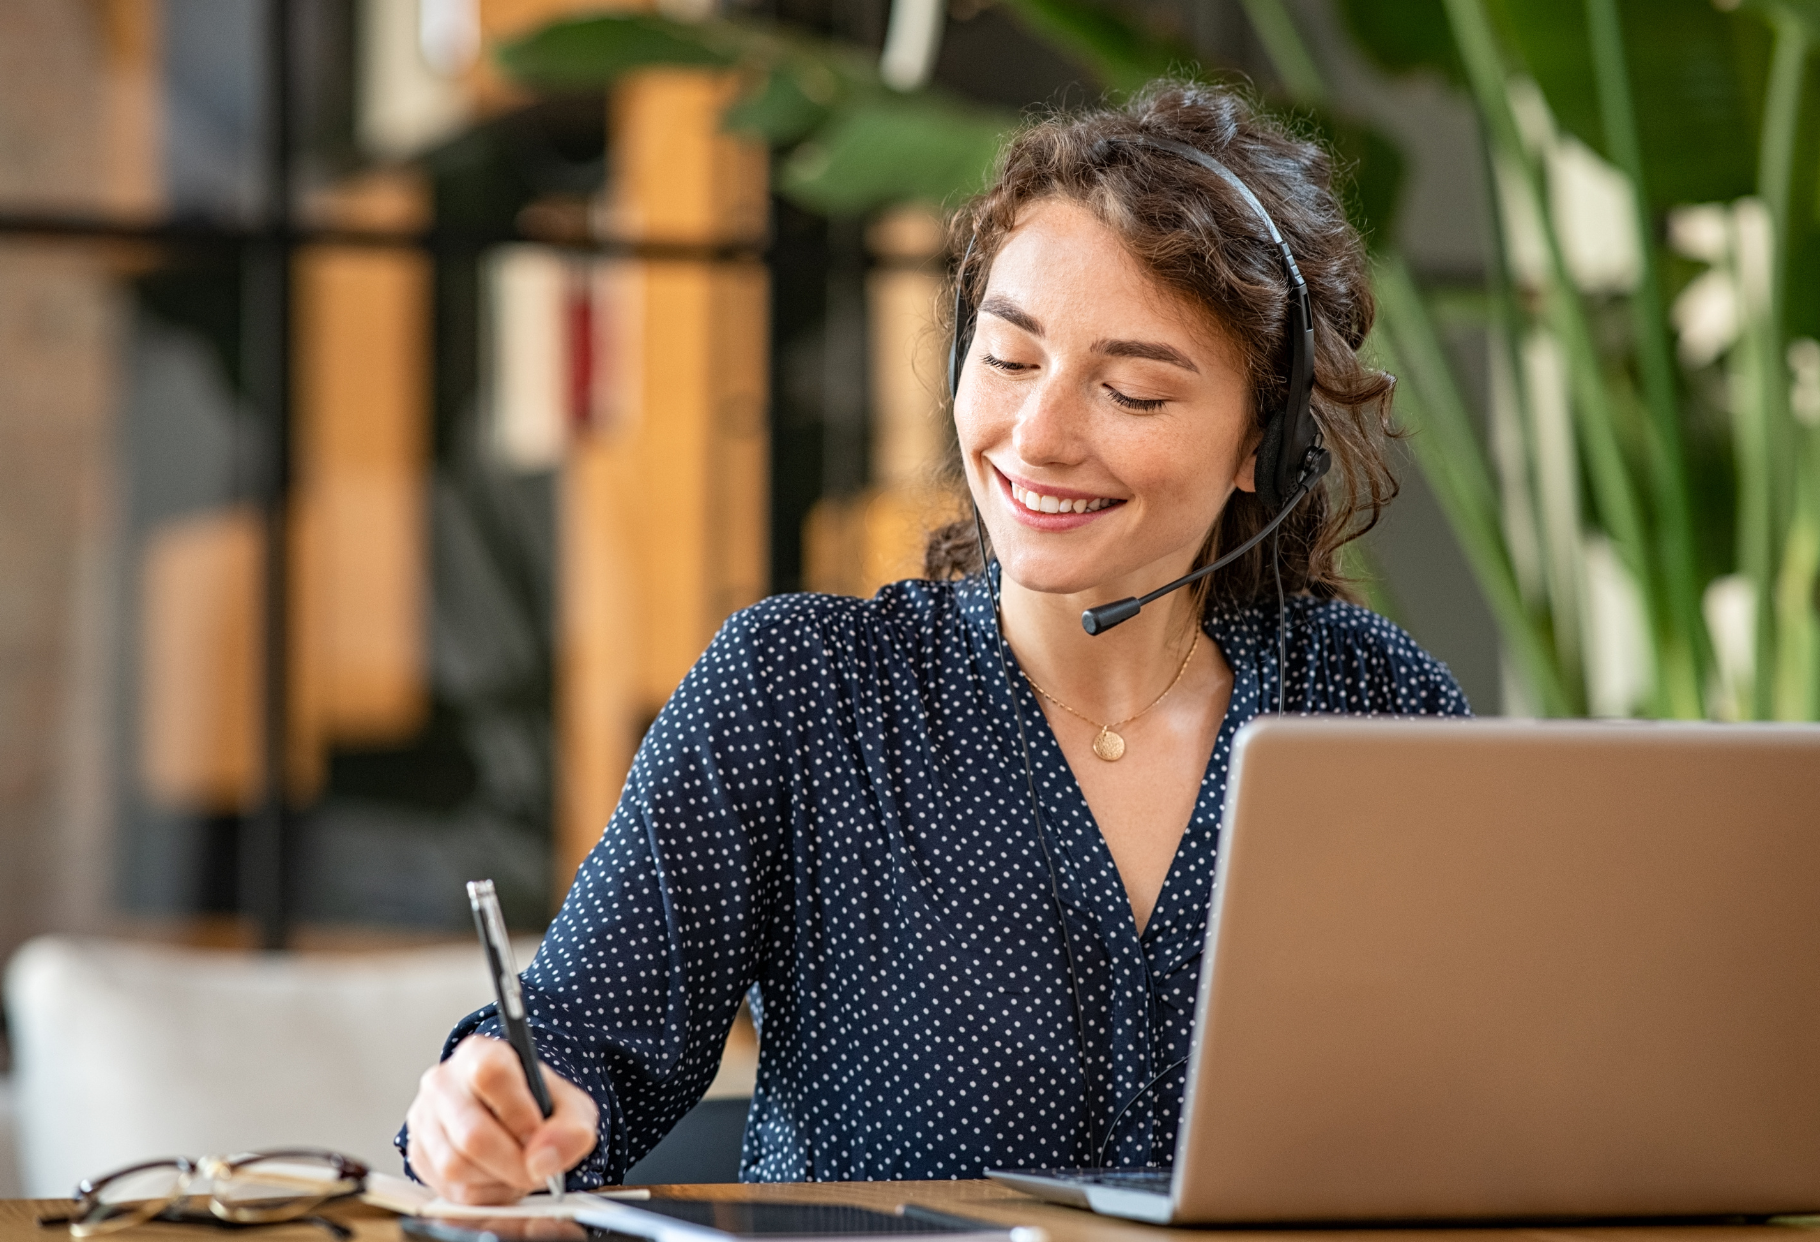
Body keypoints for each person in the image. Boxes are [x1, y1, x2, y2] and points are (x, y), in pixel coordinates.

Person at [399, 79, 1469, 1203]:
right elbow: (567, 1060)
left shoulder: (1374, 708)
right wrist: (484, 1111)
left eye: (1133, 393)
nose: (1038, 437)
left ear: (1267, 439)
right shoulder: (799, 692)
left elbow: (1490, 1096)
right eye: (1008, 361)